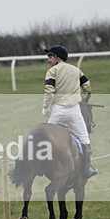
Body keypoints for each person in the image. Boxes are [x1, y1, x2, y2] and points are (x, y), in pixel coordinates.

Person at [42, 45, 98, 179]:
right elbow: (87, 86)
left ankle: (41, 166)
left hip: (58, 111)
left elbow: (49, 91)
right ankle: (87, 169)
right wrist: (83, 97)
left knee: (45, 139)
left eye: (49, 57)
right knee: (85, 140)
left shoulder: (52, 71)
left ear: (57, 58)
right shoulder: (76, 70)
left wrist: (45, 107)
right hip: (74, 111)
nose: (47, 60)